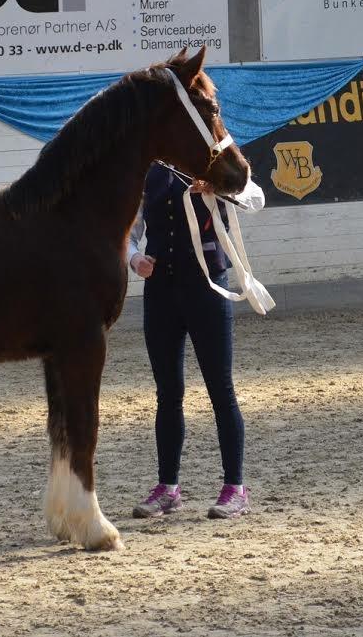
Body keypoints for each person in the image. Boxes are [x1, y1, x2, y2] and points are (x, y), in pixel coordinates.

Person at [129, 162, 265, 519]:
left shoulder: (214, 161)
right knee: (167, 392)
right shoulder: (148, 170)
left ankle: (235, 487)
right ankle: (168, 487)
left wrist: (221, 187)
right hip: (160, 292)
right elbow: (129, 231)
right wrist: (134, 258)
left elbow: (256, 198)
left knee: (221, 389)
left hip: (208, 287)